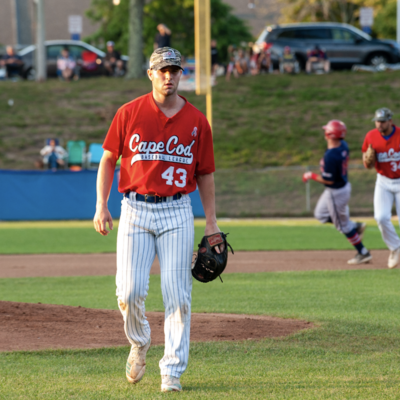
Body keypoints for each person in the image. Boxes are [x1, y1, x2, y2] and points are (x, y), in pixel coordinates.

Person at [93, 46, 223, 392]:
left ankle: (172, 371)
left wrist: (211, 223)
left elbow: (206, 173)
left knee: (177, 294)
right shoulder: (129, 112)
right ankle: (139, 341)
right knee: (129, 291)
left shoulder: (197, 121)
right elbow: (108, 159)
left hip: (177, 210)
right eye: (162, 70)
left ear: (182, 74)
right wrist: (101, 205)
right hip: (134, 208)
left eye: (175, 70)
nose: (169, 76)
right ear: (150, 73)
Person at [303, 120, 372, 264]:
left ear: (329, 134)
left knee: (342, 226)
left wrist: (311, 175)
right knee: (320, 215)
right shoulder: (343, 145)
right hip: (339, 188)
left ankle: (363, 252)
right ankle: (355, 226)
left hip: (336, 192)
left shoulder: (331, 155)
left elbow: (329, 181)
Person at [362, 108, 400, 268]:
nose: (380, 124)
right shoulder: (371, 136)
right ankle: (395, 248)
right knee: (381, 217)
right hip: (383, 181)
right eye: (377, 121)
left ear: (390, 121)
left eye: (383, 121)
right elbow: (366, 162)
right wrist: (368, 161)